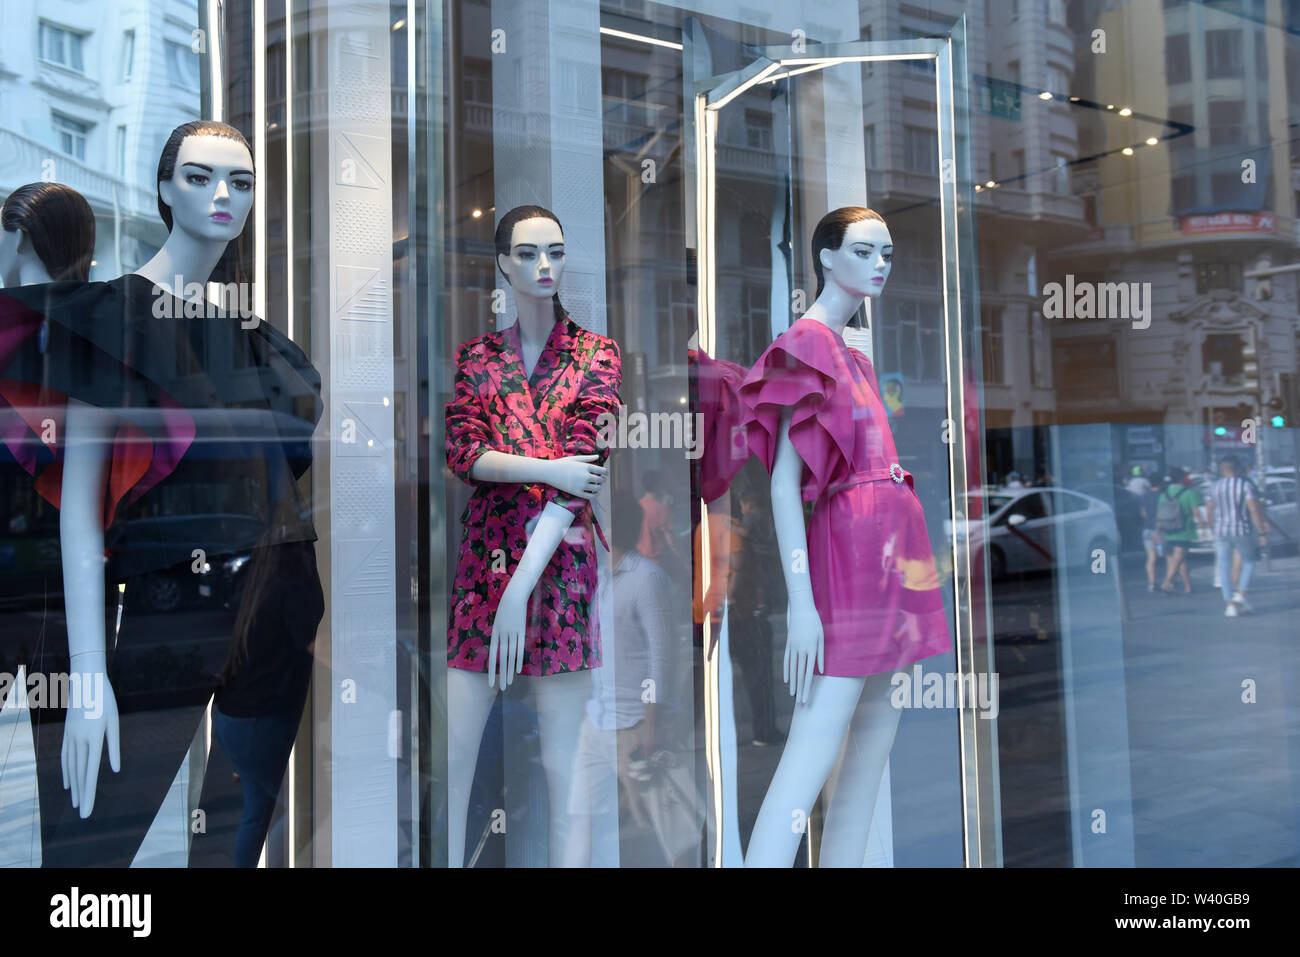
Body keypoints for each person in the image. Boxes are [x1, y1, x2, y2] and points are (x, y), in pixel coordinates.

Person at [1204, 454, 1269, 617]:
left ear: (1221, 469)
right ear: (1238, 469)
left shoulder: (1213, 487)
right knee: (1249, 561)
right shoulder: (1244, 485)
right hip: (1241, 529)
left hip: (1221, 530)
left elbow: (1210, 511)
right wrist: (1261, 531)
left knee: (1224, 566)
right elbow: (1253, 509)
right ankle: (1240, 593)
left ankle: (1229, 605)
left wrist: (1212, 527)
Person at [1154, 467, 1205, 594]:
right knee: (1179, 558)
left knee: (1179, 560)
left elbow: (1160, 514)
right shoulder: (1190, 493)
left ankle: (1188, 586)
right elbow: (1196, 512)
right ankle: (1167, 582)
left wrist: (1157, 532)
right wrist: (1202, 526)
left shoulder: (1164, 494)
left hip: (1168, 530)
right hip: (1184, 530)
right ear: (1182, 478)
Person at [1137, 475, 1163, 592]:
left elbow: (1143, 514)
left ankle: (1151, 583)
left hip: (1147, 529)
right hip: (1160, 530)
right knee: (1164, 556)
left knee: (1151, 557)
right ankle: (1167, 581)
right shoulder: (1162, 496)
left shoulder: (1144, 496)